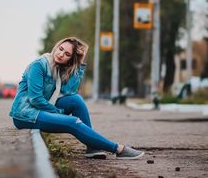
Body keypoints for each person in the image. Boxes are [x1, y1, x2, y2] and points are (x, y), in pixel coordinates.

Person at [9, 37, 144, 159]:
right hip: (25, 115)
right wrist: (59, 112)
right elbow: (35, 99)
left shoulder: (56, 67)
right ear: (56, 46)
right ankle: (118, 149)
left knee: (76, 100)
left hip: (41, 110)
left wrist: (79, 63)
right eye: (61, 49)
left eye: (67, 54)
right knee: (72, 122)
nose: (61, 54)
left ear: (70, 59)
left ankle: (92, 147)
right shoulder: (39, 65)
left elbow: (70, 91)